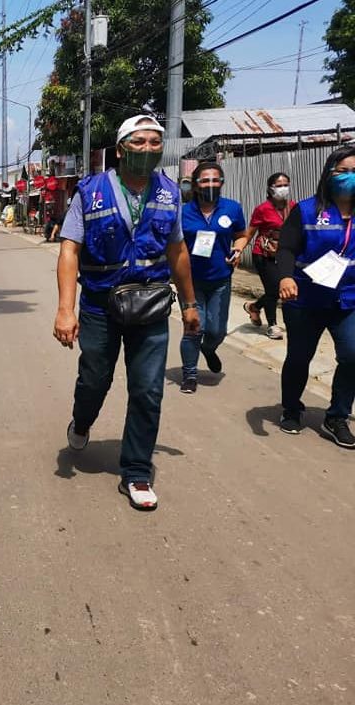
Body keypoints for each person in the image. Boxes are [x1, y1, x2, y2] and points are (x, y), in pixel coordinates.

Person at [53, 115, 200, 510]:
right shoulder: (90, 192)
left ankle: (136, 470)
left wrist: (190, 304)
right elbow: (69, 250)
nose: (148, 149)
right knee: (94, 379)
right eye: (139, 142)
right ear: (120, 150)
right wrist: (65, 309)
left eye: (155, 142)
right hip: (100, 305)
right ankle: (82, 420)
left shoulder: (170, 193)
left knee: (148, 389)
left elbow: (178, 251)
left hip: (150, 304)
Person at [276, 147, 355, 448]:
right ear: (329, 173)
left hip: (347, 299)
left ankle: (336, 417)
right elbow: (286, 248)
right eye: (343, 171)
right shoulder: (307, 210)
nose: (350, 177)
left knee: (352, 355)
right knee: (299, 357)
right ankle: (291, 408)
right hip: (306, 297)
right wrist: (285, 276)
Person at [178, 162, 250, 394]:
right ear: (196, 185)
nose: (210, 184)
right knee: (194, 327)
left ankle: (208, 349)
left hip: (220, 279)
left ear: (222, 182)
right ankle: (190, 374)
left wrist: (238, 249)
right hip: (191, 281)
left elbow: (241, 235)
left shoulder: (232, 208)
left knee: (217, 331)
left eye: (215, 180)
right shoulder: (183, 212)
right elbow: (174, 246)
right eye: (205, 180)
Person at [244, 173, 294, 340]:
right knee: (273, 289)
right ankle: (272, 325)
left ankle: (255, 307)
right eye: (279, 185)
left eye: (285, 184)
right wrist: (238, 249)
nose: (283, 188)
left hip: (285, 255)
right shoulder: (262, 209)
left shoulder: (293, 207)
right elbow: (250, 232)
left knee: (282, 288)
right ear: (271, 188)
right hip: (264, 254)